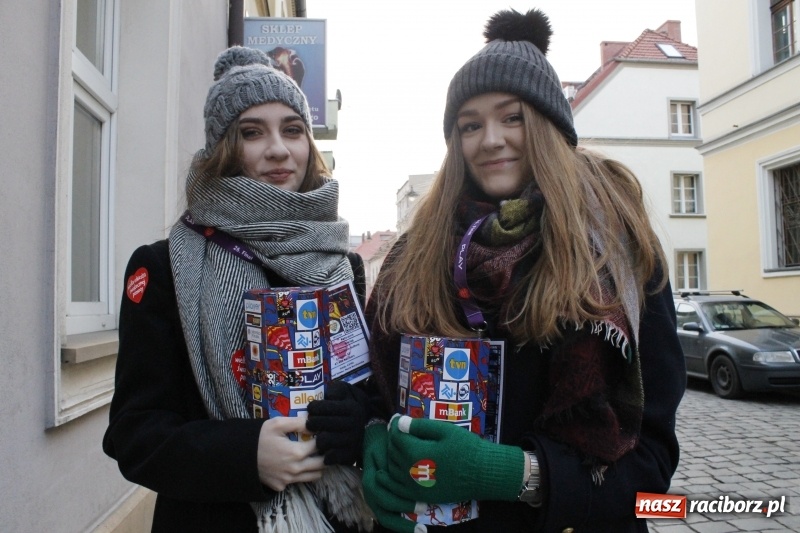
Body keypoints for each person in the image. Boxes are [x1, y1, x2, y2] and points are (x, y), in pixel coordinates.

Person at [361, 8, 686, 533]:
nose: (490, 139)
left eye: (512, 117)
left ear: (549, 125)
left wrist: (518, 475)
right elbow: (377, 395)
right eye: (470, 125)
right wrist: (374, 434)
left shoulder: (621, 254)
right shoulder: (412, 257)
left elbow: (651, 473)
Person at [103, 46, 374, 533]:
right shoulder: (164, 267)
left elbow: (368, 391)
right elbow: (133, 434)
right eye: (252, 132)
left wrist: (356, 424)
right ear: (224, 147)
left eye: (293, 129)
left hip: (338, 518)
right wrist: (245, 456)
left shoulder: (341, 263)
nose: (277, 148)